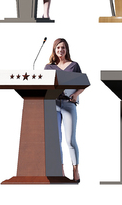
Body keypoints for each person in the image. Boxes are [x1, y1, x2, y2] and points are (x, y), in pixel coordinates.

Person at [44, 38, 84, 182]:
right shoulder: (49, 67)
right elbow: (45, 85)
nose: (61, 50)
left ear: (67, 49)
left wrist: (75, 94)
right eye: (58, 47)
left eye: (63, 47)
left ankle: (75, 170)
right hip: (53, 104)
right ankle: (60, 170)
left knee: (70, 140)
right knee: (56, 140)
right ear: (54, 50)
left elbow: (83, 84)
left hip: (68, 104)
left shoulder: (74, 65)